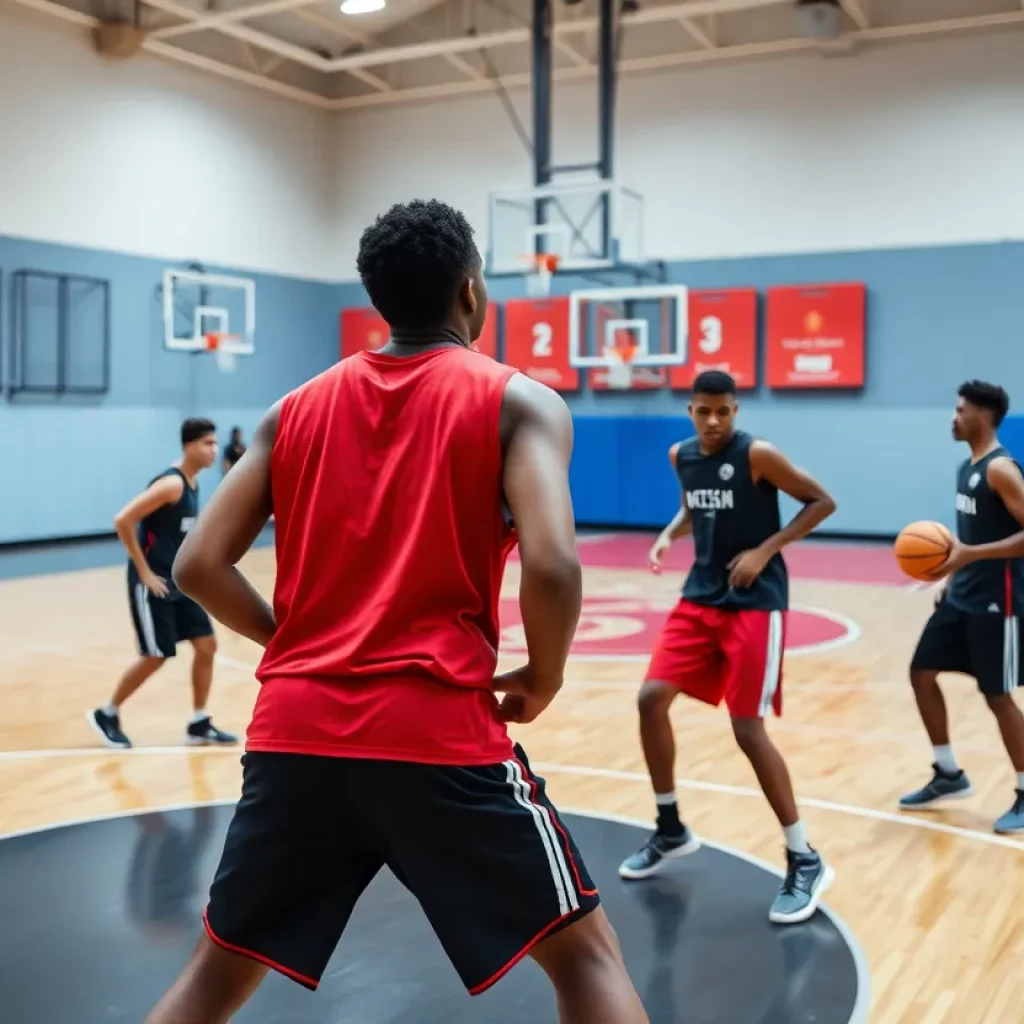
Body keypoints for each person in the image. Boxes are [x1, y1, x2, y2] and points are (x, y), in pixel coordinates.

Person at [143, 200, 648, 1024]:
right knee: (587, 960)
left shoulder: (292, 408)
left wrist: (298, 644)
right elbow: (553, 562)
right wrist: (544, 676)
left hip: (296, 729)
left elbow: (198, 562)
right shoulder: (521, 403)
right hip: (434, 734)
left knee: (213, 977)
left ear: (379, 301)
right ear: (472, 293)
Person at [618, 370, 837, 925]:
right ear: (690, 410)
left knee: (746, 729)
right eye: (703, 411)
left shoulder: (758, 454)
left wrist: (767, 549)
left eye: (724, 411)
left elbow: (820, 502)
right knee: (649, 699)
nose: (713, 421)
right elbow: (697, 508)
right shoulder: (681, 456)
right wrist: (671, 533)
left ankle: (804, 856)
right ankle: (671, 829)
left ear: (736, 410)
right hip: (700, 596)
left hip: (756, 601)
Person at [900, 380, 1024, 834]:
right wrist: (952, 575)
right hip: (963, 594)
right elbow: (968, 538)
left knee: (997, 696)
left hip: (999, 600)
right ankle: (948, 772)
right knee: (920, 671)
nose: (953, 418)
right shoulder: (964, 469)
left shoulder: (1001, 470)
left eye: (960, 410)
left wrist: (969, 557)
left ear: (984, 416)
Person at [88, 418, 238, 750]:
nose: (214, 450)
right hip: (153, 582)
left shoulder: (193, 484)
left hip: (180, 583)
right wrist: (143, 571)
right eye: (208, 443)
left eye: (215, 443)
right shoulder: (171, 485)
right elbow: (123, 519)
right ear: (189, 446)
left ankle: (199, 722)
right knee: (156, 655)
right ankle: (107, 713)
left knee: (206, 645)